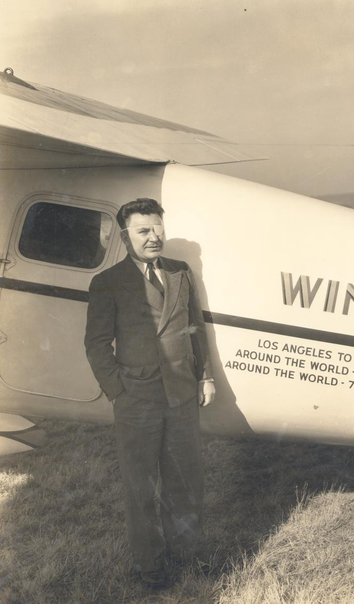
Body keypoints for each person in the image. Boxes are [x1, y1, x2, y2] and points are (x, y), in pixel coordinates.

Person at [84, 198, 215, 589]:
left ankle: (187, 554)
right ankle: (150, 564)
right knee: (141, 486)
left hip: (181, 395)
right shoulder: (107, 282)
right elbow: (96, 344)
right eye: (143, 231)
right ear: (126, 237)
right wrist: (117, 391)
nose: (154, 237)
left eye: (158, 228)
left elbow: (195, 329)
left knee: (185, 480)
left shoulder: (180, 272)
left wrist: (205, 376)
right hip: (136, 399)